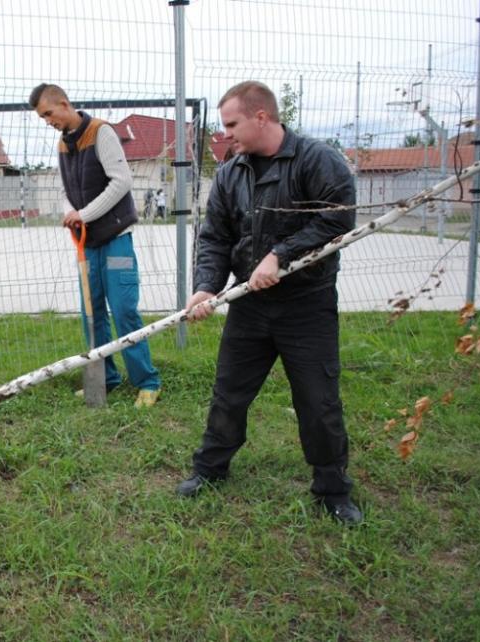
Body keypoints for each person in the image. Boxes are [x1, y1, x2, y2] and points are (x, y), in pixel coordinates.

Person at [175, 81, 362, 525]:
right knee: (229, 393)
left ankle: (333, 489)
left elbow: (337, 220)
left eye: (231, 124)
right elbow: (215, 238)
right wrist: (206, 287)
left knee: (318, 400)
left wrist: (281, 254)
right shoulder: (230, 173)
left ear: (261, 117)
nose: (225, 134)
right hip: (250, 304)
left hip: (307, 305)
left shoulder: (317, 160)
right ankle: (210, 469)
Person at [29, 83, 161, 407]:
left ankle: (147, 382)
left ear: (64, 104)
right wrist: (69, 213)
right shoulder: (63, 144)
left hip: (116, 242)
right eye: (42, 117)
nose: (48, 121)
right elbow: (65, 191)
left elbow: (122, 181)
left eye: (49, 113)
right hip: (86, 245)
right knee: (91, 313)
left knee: (124, 310)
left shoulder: (101, 133)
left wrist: (84, 215)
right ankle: (104, 378)